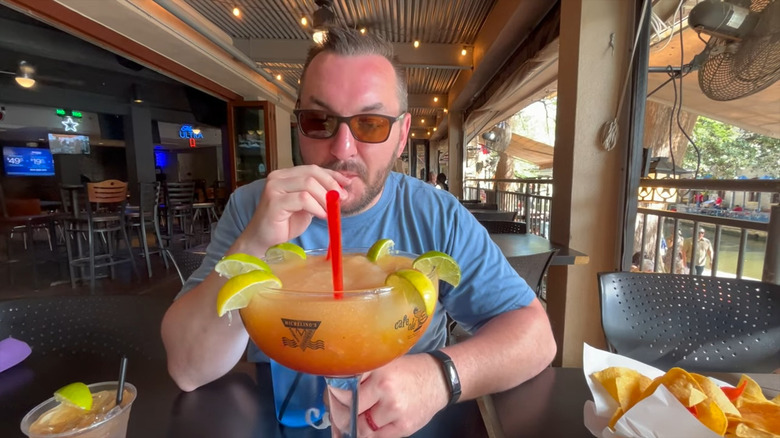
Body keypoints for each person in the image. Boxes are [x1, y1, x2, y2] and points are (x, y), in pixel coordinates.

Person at [160, 27, 555, 437]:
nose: (342, 149)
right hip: (284, 421)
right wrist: (254, 243)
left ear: (402, 135)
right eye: (320, 120)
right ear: (299, 127)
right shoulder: (252, 207)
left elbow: (536, 336)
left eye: (370, 124)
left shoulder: (436, 214)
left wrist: (438, 379)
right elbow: (188, 369)